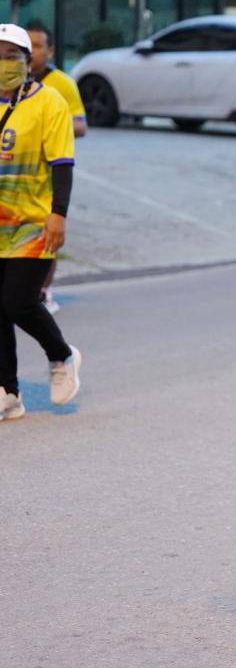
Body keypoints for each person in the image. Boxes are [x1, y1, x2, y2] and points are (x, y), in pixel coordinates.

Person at [0, 24, 82, 423]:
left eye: (11, 56)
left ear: (28, 61)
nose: (4, 64)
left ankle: (61, 355)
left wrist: (58, 214)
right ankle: (8, 393)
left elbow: (62, 163)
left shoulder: (50, 102)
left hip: (34, 222)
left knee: (18, 301)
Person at [26, 21, 86, 315]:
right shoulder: (11, 84)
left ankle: (43, 290)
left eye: (38, 46)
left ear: (50, 51)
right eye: (27, 46)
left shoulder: (62, 84)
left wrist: (45, 128)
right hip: (16, 174)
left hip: (50, 174)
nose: (32, 52)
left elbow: (81, 126)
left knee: (47, 233)